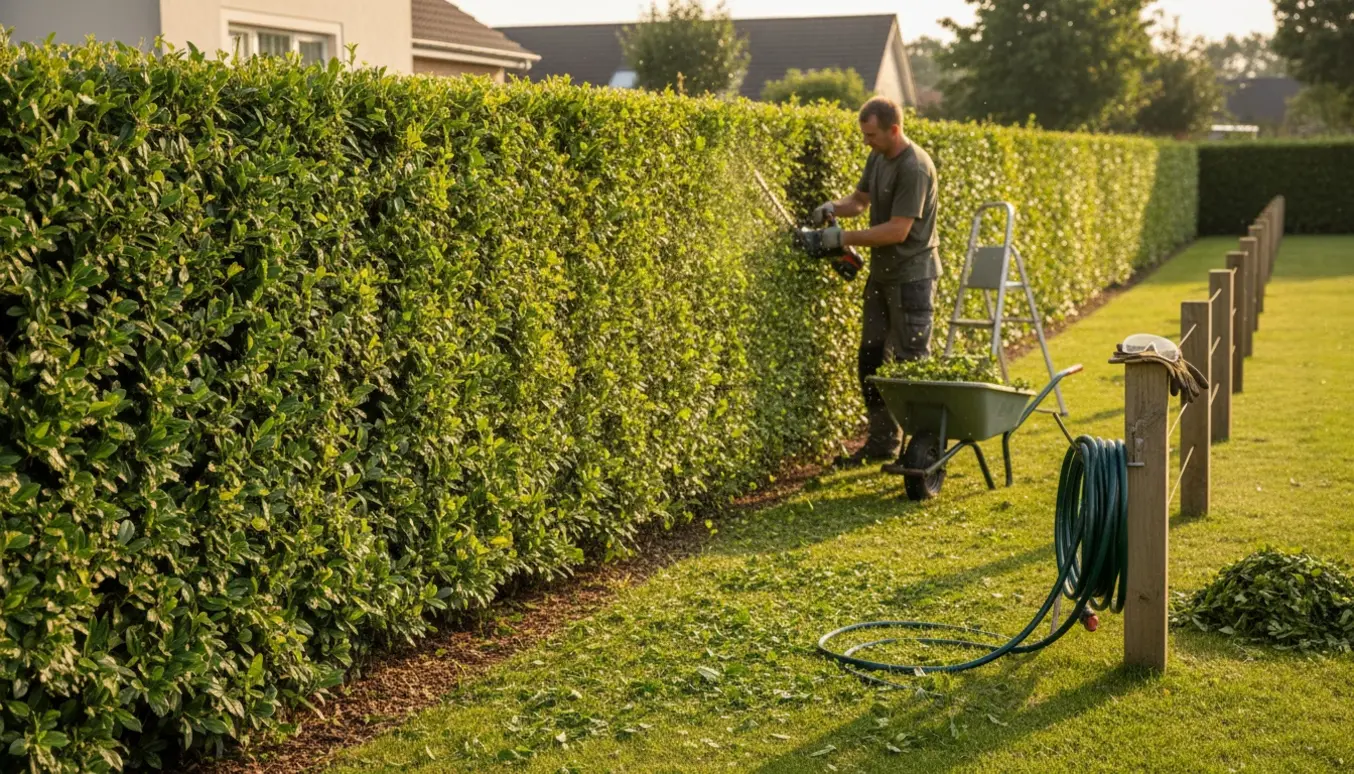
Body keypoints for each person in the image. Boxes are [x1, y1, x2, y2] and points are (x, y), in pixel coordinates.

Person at [807, 97, 941, 468]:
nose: (866, 141)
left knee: (912, 365)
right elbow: (860, 200)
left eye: (871, 134)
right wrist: (833, 207)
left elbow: (898, 231)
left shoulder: (914, 168)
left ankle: (924, 453)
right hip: (882, 277)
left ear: (893, 130)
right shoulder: (878, 157)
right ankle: (883, 442)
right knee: (870, 358)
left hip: (912, 278)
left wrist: (842, 239)